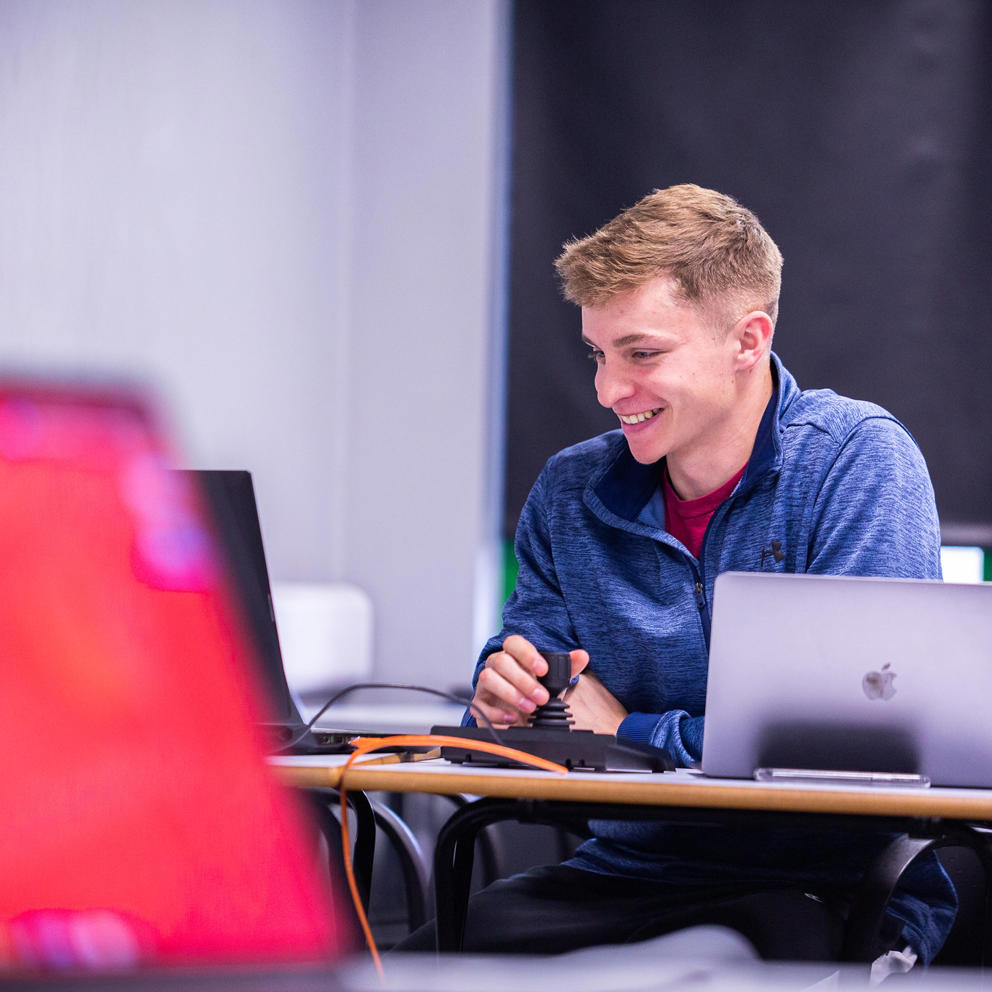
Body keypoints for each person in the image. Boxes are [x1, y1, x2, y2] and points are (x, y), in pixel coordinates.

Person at [401, 184, 956, 966]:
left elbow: (857, 754)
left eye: (643, 354)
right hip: (627, 876)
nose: (606, 390)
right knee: (403, 972)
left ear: (747, 340)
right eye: (599, 354)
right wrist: (507, 696)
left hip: (825, 886)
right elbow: (538, 718)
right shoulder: (570, 491)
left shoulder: (856, 462)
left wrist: (627, 734)